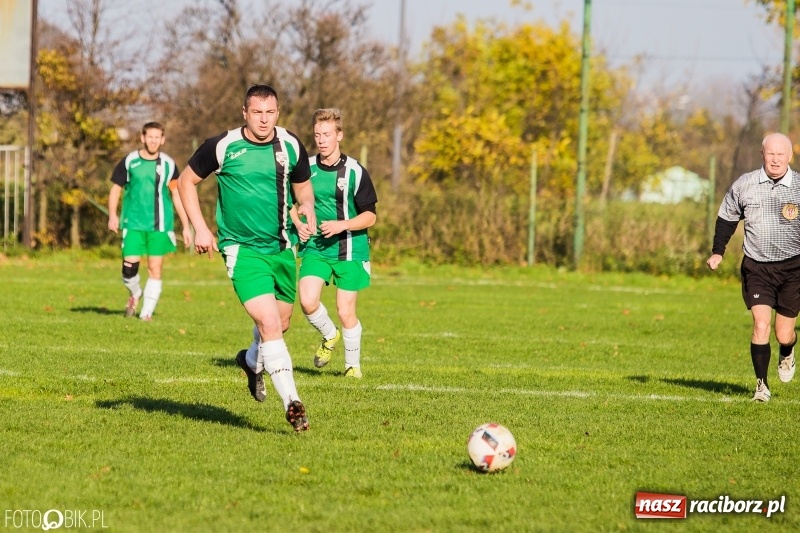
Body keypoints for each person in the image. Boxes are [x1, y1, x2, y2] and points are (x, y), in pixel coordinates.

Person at [177, 84, 316, 432]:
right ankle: (293, 404)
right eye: (257, 112)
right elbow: (185, 182)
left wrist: (307, 209)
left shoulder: (290, 144)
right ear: (245, 113)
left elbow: (303, 187)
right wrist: (200, 228)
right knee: (269, 324)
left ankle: (251, 361)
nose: (264, 119)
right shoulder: (221, 146)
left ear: (278, 113)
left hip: (283, 249)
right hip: (242, 250)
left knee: (281, 325)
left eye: (270, 112)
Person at [707, 132, 799, 402]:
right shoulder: (745, 184)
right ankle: (761, 386)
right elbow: (727, 218)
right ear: (762, 155)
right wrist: (717, 252)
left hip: (793, 269)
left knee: (783, 334)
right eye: (770, 153)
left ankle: (787, 350)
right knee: (761, 325)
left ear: (789, 157)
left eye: (780, 154)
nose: (775, 159)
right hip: (757, 268)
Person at [293, 108, 378, 378]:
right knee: (307, 301)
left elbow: (370, 216)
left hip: (350, 248)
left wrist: (342, 225)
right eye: (317, 134)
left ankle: (352, 367)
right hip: (316, 247)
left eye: (327, 134)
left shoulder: (355, 171)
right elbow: (289, 203)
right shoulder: (305, 169)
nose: (321, 139)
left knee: (345, 310)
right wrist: (298, 224)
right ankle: (329, 335)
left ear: (339, 135)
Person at [108, 121, 191, 320]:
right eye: (150, 137)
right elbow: (116, 189)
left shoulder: (169, 164)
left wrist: (186, 226)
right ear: (143, 138)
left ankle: (146, 313)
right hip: (133, 223)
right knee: (129, 269)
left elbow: (177, 195)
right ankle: (136, 293)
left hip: (160, 225)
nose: (153, 141)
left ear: (162, 139)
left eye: (157, 137)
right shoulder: (130, 161)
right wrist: (113, 214)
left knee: (155, 268)